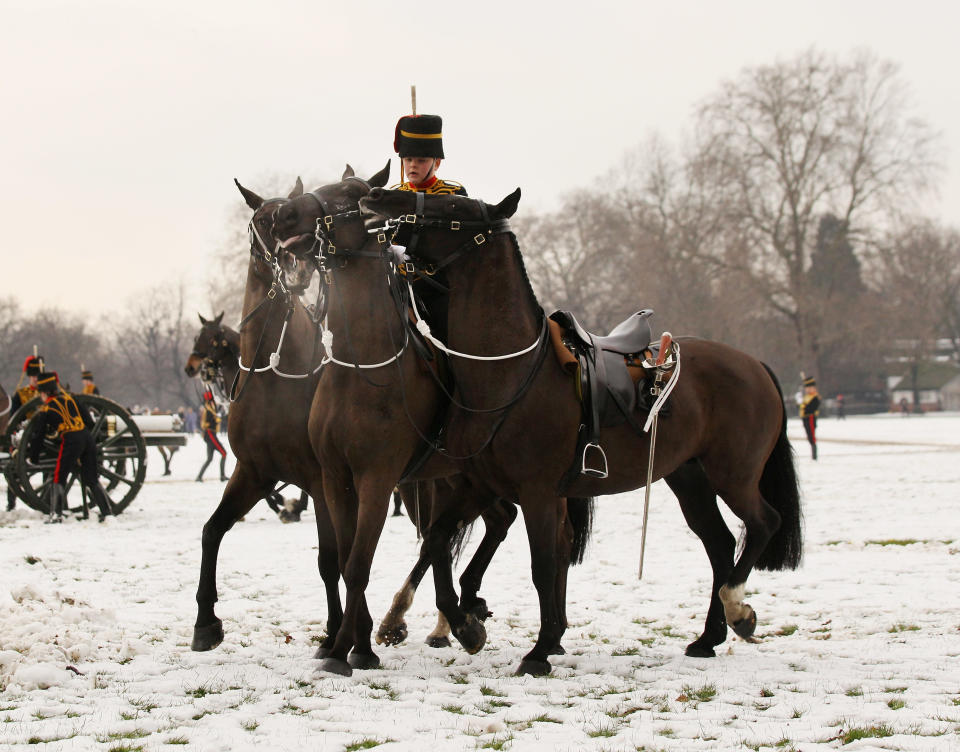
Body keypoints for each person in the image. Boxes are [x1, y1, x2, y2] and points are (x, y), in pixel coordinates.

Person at [391, 112, 466, 342]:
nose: (413, 165)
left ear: (437, 162)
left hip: (442, 287)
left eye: (421, 160)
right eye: (408, 159)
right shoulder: (394, 195)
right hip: (401, 285)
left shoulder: (454, 193)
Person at [28, 371, 114, 522]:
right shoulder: (71, 399)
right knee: (91, 478)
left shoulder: (47, 409)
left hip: (70, 439)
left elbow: (39, 436)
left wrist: (33, 458)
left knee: (59, 476)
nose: (40, 396)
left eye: (40, 393)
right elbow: (89, 421)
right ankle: (107, 513)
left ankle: (56, 514)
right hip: (87, 438)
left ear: (45, 393)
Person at [7, 355, 43, 510]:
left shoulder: (49, 392)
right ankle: (11, 502)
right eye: (33, 376)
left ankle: (48, 499)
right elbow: (14, 417)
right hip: (26, 436)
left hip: (48, 437)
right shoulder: (21, 394)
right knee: (14, 468)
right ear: (29, 377)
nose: (35, 379)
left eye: (38, 376)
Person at [196, 389, 228, 482]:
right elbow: (208, 423)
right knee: (224, 453)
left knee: (209, 459)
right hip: (210, 434)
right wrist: (217, 418)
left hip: (210, 434)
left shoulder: (210, 409)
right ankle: (222, 476)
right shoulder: (208, 410)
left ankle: (199, 476)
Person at [799, 376, 821, 460]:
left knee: (812, 436)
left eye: (810, 387)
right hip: (805, 418)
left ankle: (814, 456)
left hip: (810, 417)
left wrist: (804, 407)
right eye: (807, 388)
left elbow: (811, 408)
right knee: (809, 435)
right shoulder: (806, 397)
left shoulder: (815, 397)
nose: (808, 389)